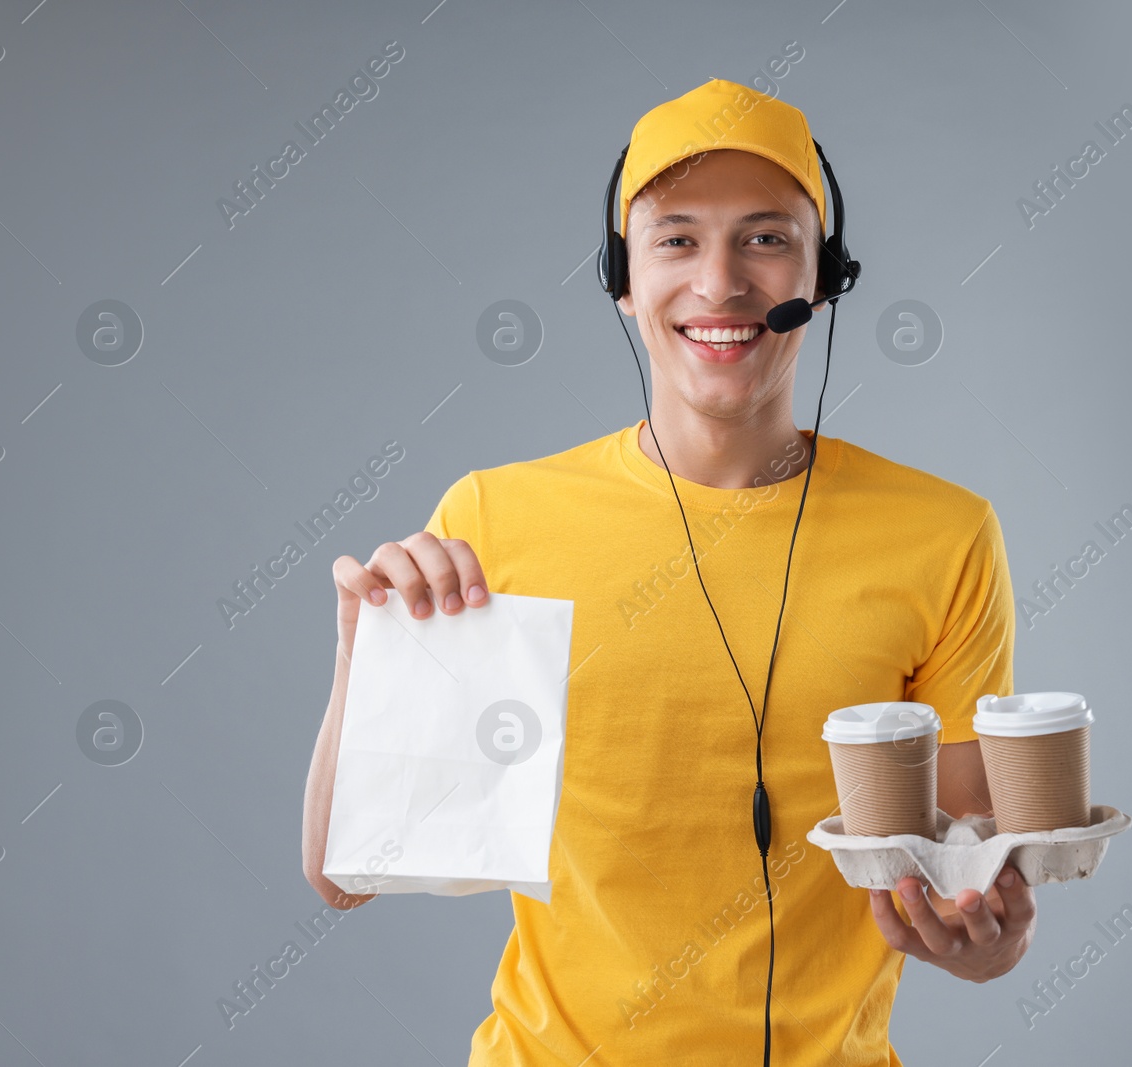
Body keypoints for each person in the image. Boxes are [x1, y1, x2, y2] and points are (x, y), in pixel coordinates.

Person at [302, 78, 1035, 1065]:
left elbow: (969, 882)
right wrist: (365, 652)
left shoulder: (944, 534)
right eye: (677, 239)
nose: (720, 281)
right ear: (623, 277)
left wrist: (992, 936)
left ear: (825, 276)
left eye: (766, 237)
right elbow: (347, 873)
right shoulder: (494, 521)